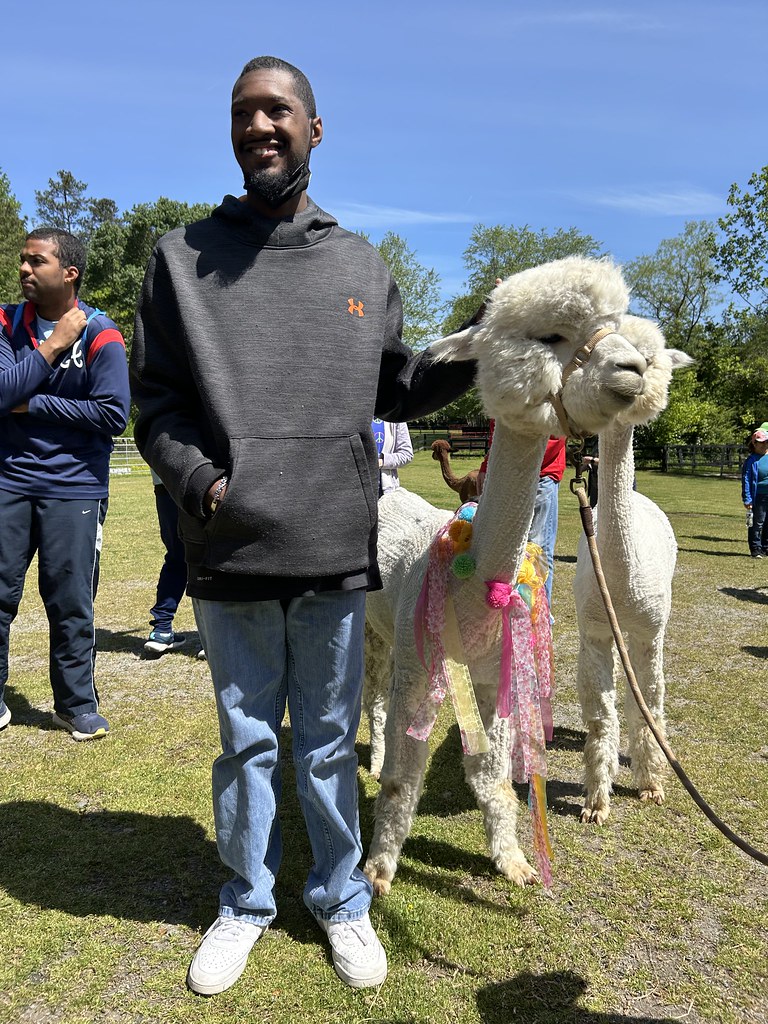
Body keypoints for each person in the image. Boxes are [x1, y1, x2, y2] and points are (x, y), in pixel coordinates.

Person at [130, 56, 474, 995]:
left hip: (331, 542)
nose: (260, 127)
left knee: (325, 740)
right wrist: (201, 483)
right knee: (247, 740)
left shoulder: (361, 265)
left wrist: (488, 337)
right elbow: (153, 408)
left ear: (315, 129)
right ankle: (244, 901)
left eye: (278, 110)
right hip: (231, 543)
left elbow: (401, 383)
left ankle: (341, 900)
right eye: (244, 113)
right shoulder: (180, 260)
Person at [0, 228, 129, 739]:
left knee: (71, 600)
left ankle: (75, 704)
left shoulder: (102, 333)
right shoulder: (6, 321)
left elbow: (113, 413)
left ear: (69, 273)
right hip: (7, 478)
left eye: (36, 262)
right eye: (22, 262)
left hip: (74, 487)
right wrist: (54, 346)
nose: (24, 271)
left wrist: (35, 405)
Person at [144, 469, 189, 655]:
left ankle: (162, 629)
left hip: (164, 480)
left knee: (176, 557)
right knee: (207, 557)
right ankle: (210, 639)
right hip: (204, 480)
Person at [741, 427, 768, 558]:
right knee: (757, 523)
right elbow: (746, 479)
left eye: (766, 442)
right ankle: (755, 548)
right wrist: (747, 498)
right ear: (754, 444)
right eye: (761, 442)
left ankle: (765, 547)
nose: (764, 445)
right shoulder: (751, 460)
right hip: (759, 495)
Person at [371, 418, 413, 494]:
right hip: (356, 488)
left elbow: (406, 454)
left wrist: (382, 462)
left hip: (384, 489)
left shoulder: (395, 416)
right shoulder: (354, 413)